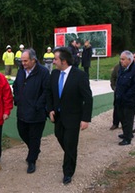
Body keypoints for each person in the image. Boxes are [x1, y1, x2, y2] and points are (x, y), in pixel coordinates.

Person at [46, 47, 93, 185]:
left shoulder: (79, 76)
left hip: (73, 117)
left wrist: (85, 119)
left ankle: (68, 172)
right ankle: (71, 155)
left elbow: (88, 98)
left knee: (70, 145)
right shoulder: (54, 74)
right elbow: (49, 93)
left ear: (64, 61)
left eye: (55, 59)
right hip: (58, 116)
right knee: (60, 137)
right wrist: (50, 110)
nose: (53, 61)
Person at [12, 48, 50, 174]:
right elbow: (16, 85)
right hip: (22, 110)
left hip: (37, 113)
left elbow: (46, 91)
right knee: (23, 133)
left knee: (34, 138)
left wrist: (38, 105)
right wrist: (17, 98)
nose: (23, 63)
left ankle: (31, 160)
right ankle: (35, 149)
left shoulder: (43, 72)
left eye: (25, 61)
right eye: (22, 61)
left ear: (33, 60)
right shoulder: (21, 71)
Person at [115, 50, 135, 146]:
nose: (121, 61)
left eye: (123, 59)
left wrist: (126, 96)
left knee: (128, 119)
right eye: (120, 59)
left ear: (129, 59)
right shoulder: (122, 69)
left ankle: (127, 139)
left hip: (130, 100)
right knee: (122, 117)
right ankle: (127, 133)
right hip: (120, 99)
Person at [109, 63, 121, 130]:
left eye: (123, 59)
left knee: (125, 109)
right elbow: (113, 77)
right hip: (117, 91)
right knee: (116, 107)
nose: (122, 61)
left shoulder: (131, 67)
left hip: (126, 92)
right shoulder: (117, 67)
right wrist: (114, 87)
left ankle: (124, 124)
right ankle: (115, 123)